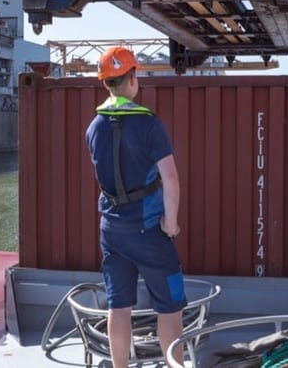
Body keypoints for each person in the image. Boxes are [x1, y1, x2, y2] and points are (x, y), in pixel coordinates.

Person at [85, 46, 187, 368]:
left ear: (105, 84)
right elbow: (170, 180)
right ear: (133, 78)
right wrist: (171, 223)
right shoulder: (149, 124)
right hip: (149, 231)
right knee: (170, 307)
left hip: (111, 231)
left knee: (119, 306)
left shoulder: (93, 128)